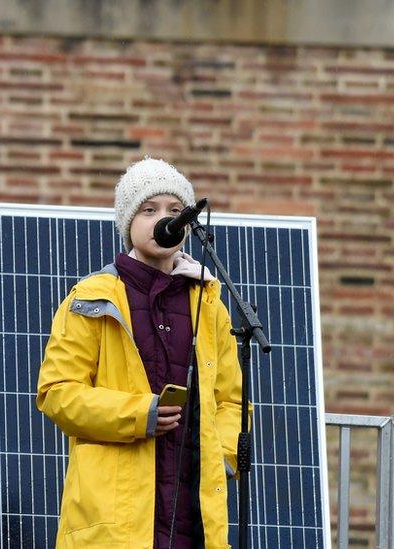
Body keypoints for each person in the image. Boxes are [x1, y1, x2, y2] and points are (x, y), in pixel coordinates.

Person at [36, 158, 246, 549]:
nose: (163, 219)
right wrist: (139, 415)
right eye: (149, 210)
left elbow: (231, 398)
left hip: (193, 518)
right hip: (115, 523)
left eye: (173, 210)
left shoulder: (210, 301)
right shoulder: (92, 298)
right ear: (128, 223)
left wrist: (222, 457)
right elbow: (57, 393)